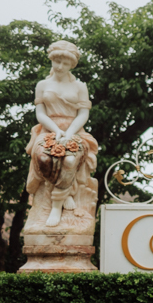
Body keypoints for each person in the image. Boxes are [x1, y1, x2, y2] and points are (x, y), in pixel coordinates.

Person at [25, 41, 98, 228]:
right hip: (49, 130)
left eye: (65, 63)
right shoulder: (42, 85)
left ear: (71, 65)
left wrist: (69, 133)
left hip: (75, 131)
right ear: (51, 60)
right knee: (43, 158)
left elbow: (83, 114)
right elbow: (40, 113)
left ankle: (57, 204)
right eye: (57, 61)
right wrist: (57, 131)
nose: (60, 66)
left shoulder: (80, 86)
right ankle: (64, 191)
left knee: (70, 160)